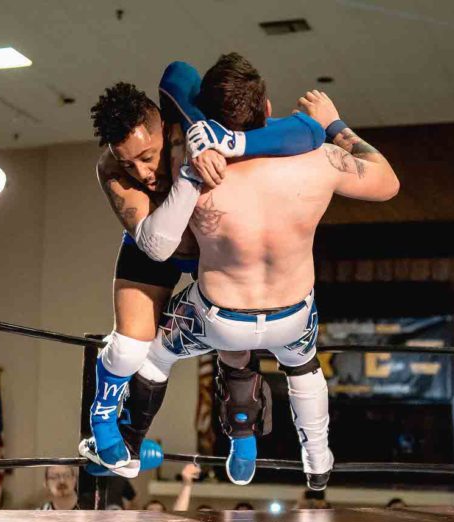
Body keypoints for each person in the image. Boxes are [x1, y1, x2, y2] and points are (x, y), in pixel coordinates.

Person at [133, 54, 400, 490]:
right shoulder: (321, 158)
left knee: (153, 352)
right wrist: (334, 124)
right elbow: (388, 182)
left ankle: (126, 441)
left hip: (220, 318)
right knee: (303, 363)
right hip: (290, 318)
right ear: (269, 109)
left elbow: (175, 76)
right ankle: (317, 460)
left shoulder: (198, 164)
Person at [81, 62, 327, 480]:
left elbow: (177, 72)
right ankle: (106, 429)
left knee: (236, 337)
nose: (142, 173)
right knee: (129, 347)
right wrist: (190, 174)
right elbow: (156, 247)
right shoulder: (111, 170)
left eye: (147, 156)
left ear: (164, 124)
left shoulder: (193, 121)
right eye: (130, 165)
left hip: (210, 255)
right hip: (152, 247)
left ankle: (244, 438)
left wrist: (215, 138)